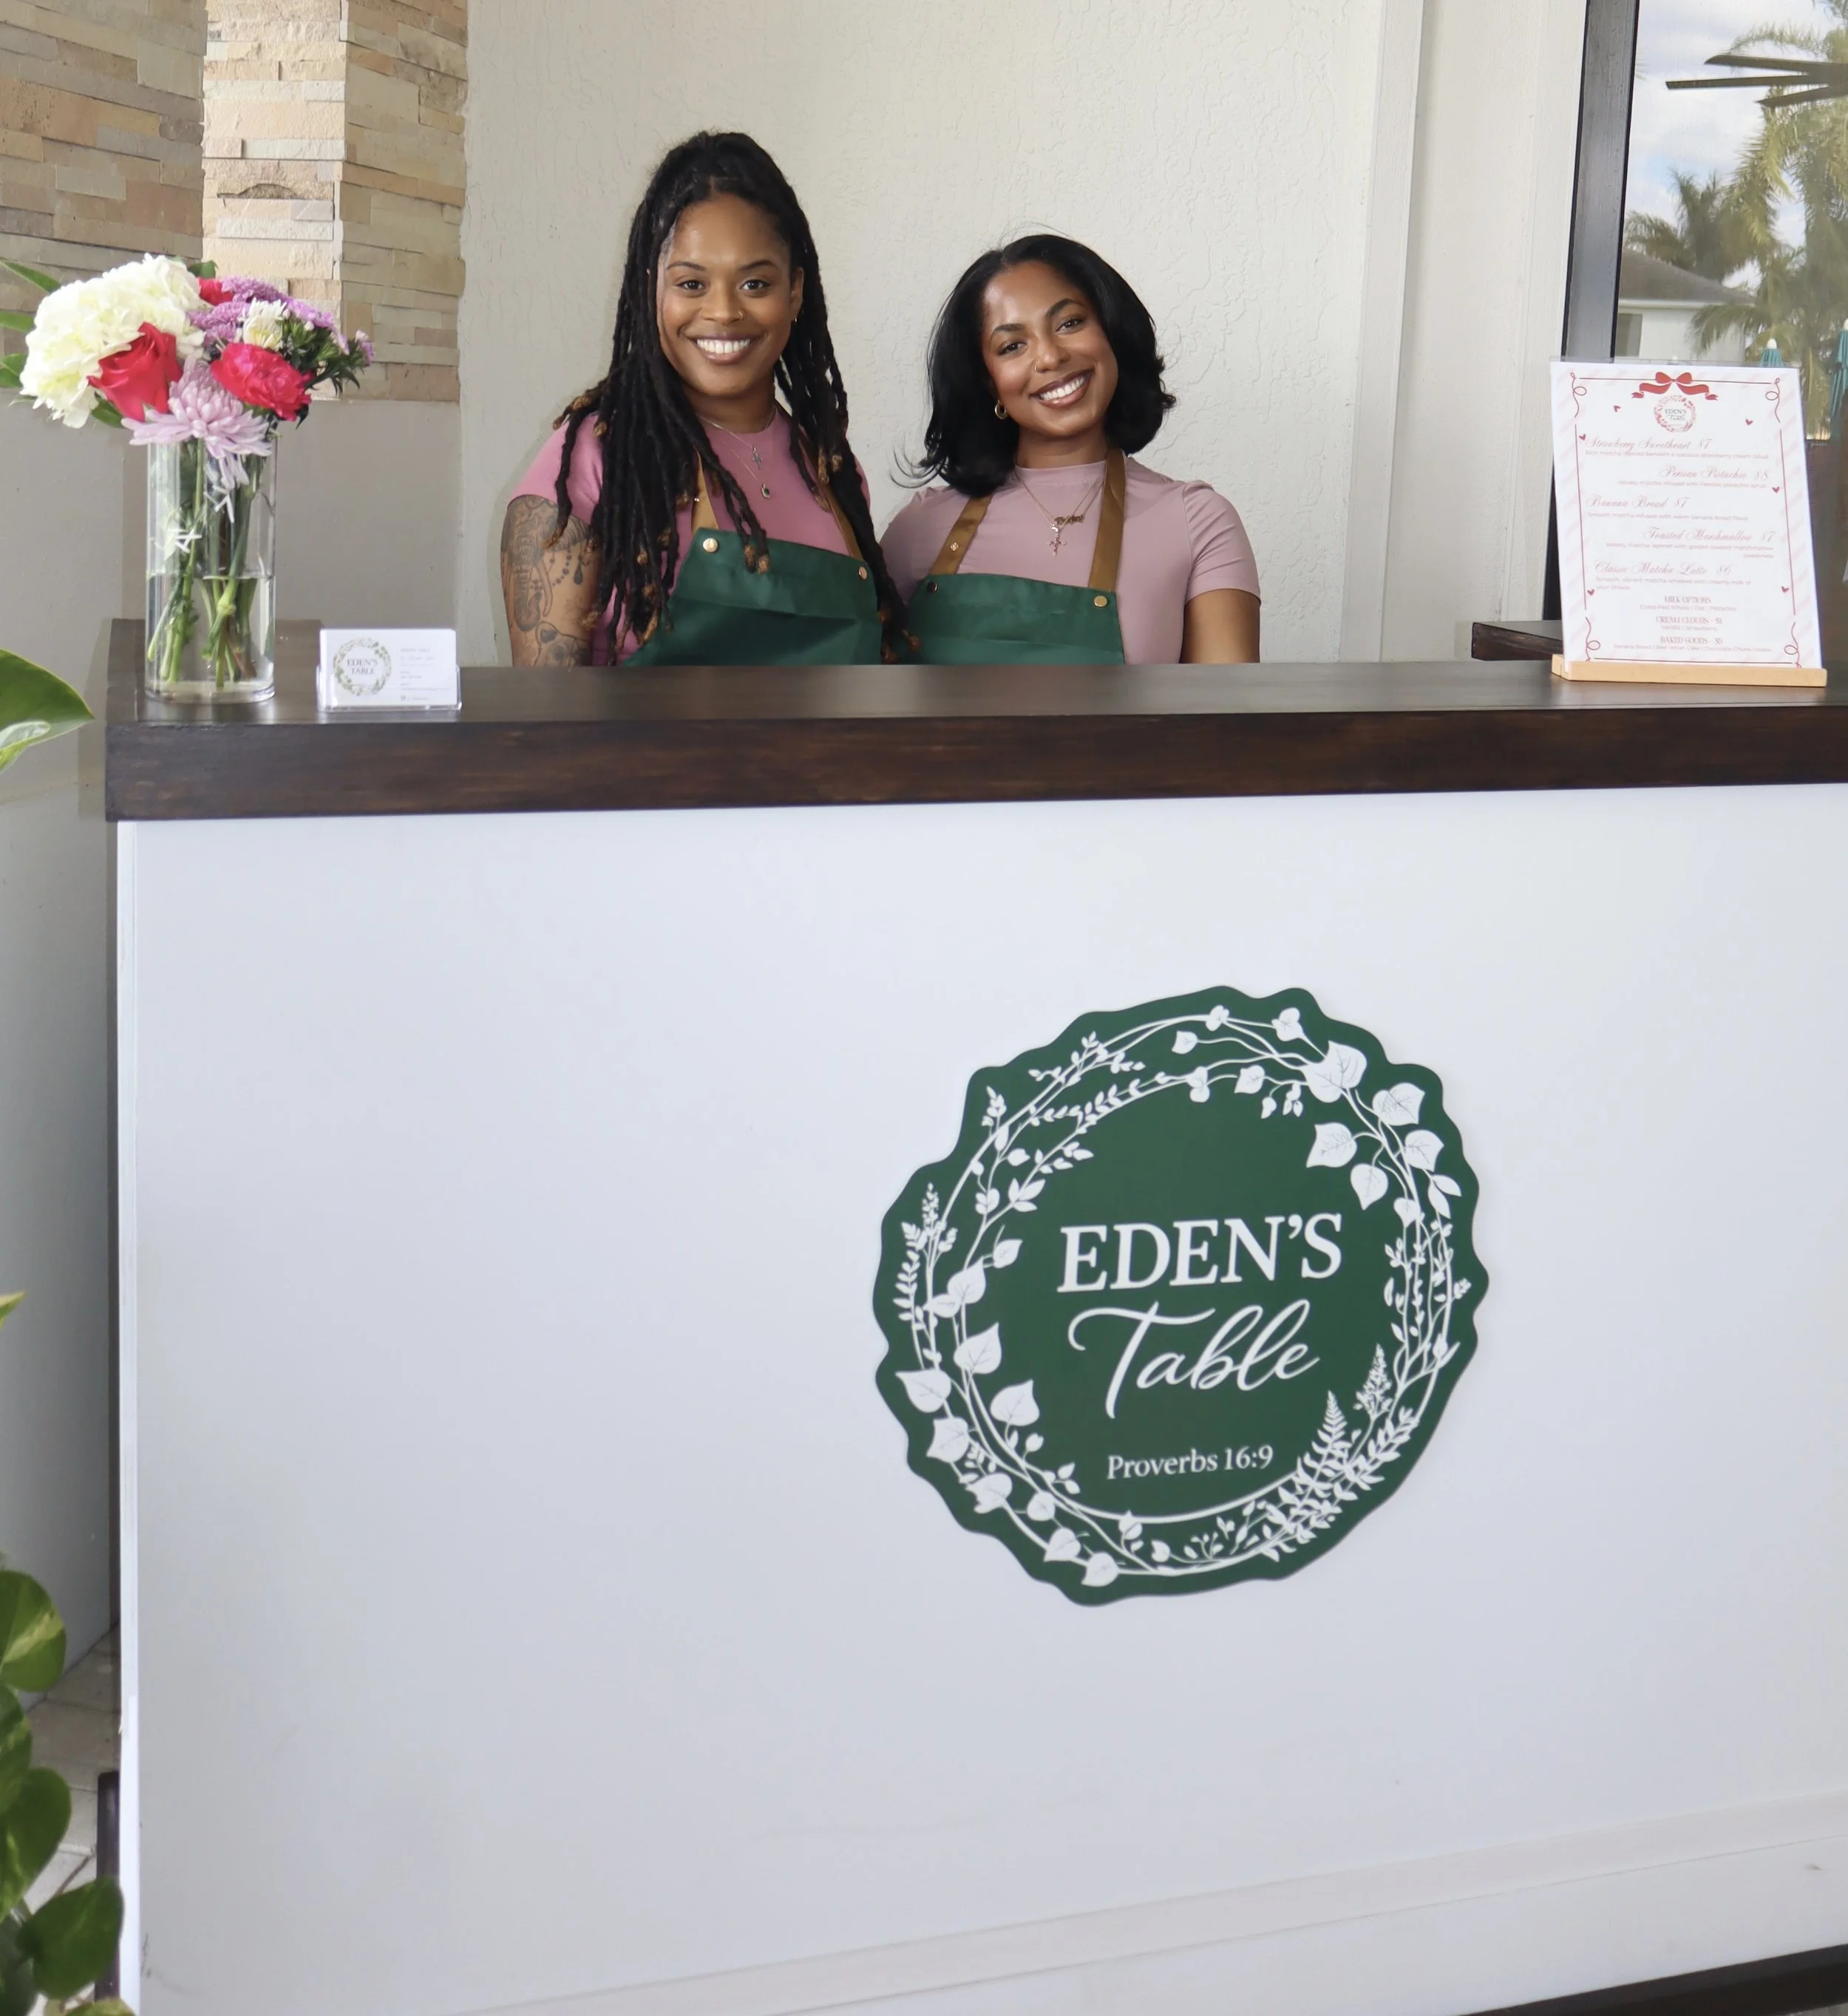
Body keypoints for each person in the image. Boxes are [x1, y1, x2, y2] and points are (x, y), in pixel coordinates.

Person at [500, 132, 898, 667]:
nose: (723, 312)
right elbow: (546, 728)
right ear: (652, 291)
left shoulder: (834, 475)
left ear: (795, 292)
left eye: (755, 284)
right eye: (691, 284)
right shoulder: (594, 461)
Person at [883, 235, 1260, 665]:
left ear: (1111, 334)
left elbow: (1223, 724)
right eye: (1012, 346)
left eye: (1069, 323)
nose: (1049, 357)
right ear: (990, 383)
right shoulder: (921, 528)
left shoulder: (1199, 523)